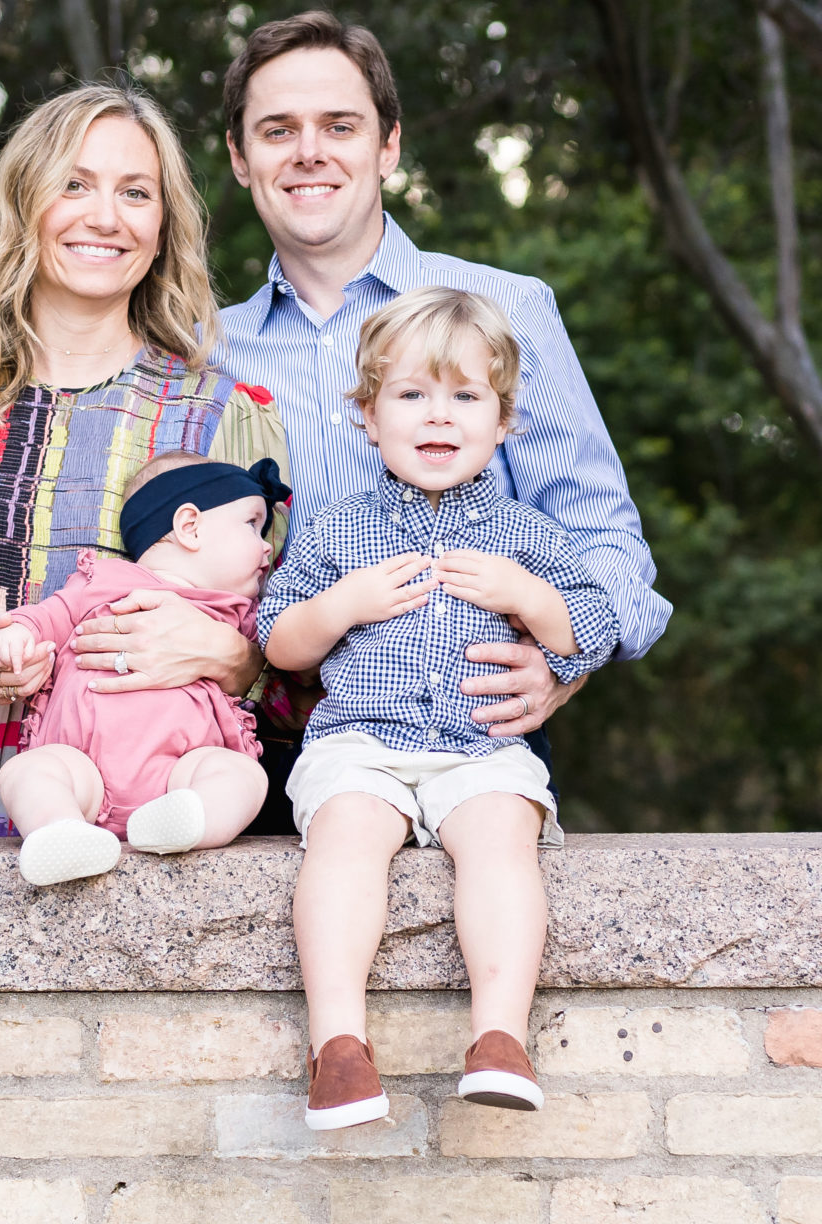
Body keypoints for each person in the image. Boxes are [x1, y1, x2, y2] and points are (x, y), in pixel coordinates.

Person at [218, 10, 669, 823]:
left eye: (340, 125)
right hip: (258, 754)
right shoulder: (203, 352)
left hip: (478, 741)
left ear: (388, 145)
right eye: (278, 129)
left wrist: (561, 667)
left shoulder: (508, 309)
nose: (309, 151)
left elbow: (603, 538)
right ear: (240, 157)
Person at [0, 85, 284, 837]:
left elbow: (297, 672)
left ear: (163, 227)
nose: (106, 217)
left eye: (136, 192)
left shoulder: (227, 414)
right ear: (23, 203)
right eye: (74, 184)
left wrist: (231, 657)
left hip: (155, 833)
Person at [258, 287, 616, 1129]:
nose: (438, 415)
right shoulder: (337, 531)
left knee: (501, 838)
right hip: (361, 742)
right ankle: (338, 1048)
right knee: (345, 837)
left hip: (480, 745)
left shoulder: (527, 534)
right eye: (412, 393)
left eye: (465, 395)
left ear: (505, 421)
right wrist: (340, 606)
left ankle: (500, 1037)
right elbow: (278, 637)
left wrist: (528, 594)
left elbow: (593, 627)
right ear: (368, 416)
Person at [0, 453, 288, 885]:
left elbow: (274, 661)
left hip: (182, 772)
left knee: (242, 776)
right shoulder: (103, 581)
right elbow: (50, 615)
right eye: (252, 524)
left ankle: (191, 820)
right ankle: (60, 829)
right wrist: (16, 633)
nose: (267, 545)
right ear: (190, 526)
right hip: (84, 769)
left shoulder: (237, 613)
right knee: (29, 771)